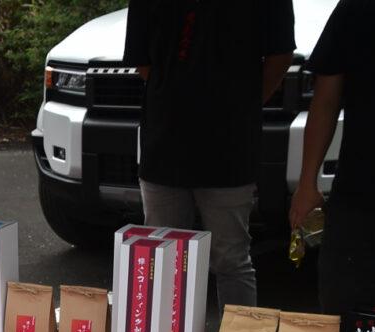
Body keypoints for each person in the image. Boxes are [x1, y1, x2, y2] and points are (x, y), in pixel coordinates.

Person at [124, 0, 295, 310]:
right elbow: (141, 59)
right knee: (162, 257)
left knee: (231, 260)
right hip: (166, 140)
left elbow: (281, 54)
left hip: (229, 146)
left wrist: (243, 102)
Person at [289, 0, 375, 315]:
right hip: (359, 192)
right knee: (344, 307)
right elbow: (325, 99)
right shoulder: (358, 8)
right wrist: (307, 183)